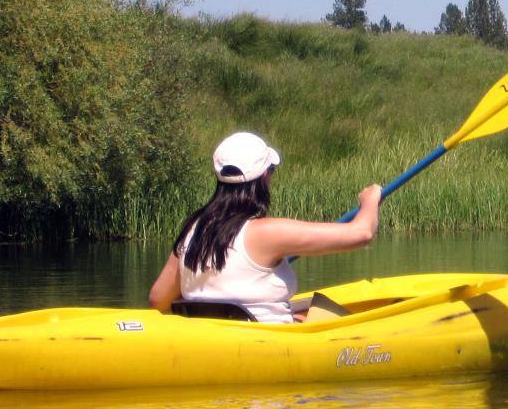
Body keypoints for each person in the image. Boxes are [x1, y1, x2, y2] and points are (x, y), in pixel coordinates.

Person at [148, 131, 382, 323]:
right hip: (264, 342)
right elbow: (361, 233)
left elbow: (159, 300)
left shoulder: (194, 230)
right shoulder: (267, 233)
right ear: (264, 176)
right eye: (271, 171)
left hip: (210, 340)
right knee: (332, 312)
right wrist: (370, 200)